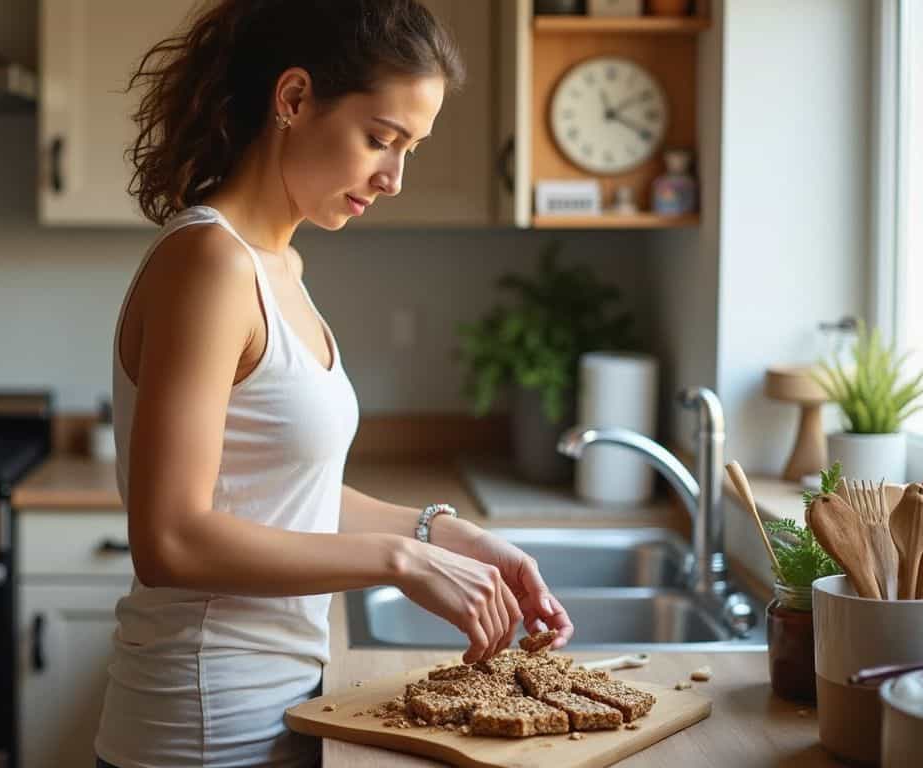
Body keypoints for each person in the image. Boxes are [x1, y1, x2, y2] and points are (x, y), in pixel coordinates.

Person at [95, 1, 575, 765]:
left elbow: (279, 495)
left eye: (410, 148)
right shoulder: (209, 265)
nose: (393, 178)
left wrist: (446, 535)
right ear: (292, 100)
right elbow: (172, 538)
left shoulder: (277, 264)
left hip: (274, 714)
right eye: (380, 140)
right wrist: (402, 564)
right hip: (201, 732)